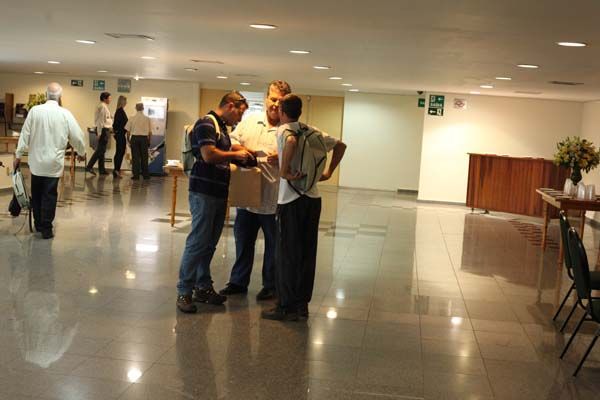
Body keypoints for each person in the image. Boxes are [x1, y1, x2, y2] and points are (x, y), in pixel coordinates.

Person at [262, 94, 347, 321]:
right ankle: (302, 305)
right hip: (312, 199)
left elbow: (290, 142)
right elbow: (341, 145)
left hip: (290, 201)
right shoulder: (312, 131)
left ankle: (285, 306)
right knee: (307, 254)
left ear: (282, 112)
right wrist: (329, 172)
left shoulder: (283, 129)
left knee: (286, 254)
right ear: (299, 111)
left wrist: (284, 171)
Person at [176, 91, 252, 313]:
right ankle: (184, 291)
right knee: (198, 242)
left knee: (209, 243)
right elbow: (209, 155)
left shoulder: (221, 128)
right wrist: (235, 156)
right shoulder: (206, 123)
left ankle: (203, 287)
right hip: (204, 193)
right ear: (230, 105)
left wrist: (243, 151)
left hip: (218, 193)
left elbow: (222, 148)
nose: (239, 118)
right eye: (239, 113)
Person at [220, 80, 291, 301]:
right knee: (243, 242)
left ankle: (270, 286)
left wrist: (284, 157)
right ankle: (238, 282)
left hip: (274, 198)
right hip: (247, 197)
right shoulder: (250, 121)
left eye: (280, 101)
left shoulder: (289, 128)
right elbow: (229, 141)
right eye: (272, 99)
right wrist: (245, 150)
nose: (275, 104)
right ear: (265, 99)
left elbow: (298, 159)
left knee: (273, 246)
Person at [14, 83, 86, 239]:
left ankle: (38, 223)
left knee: (37, 193)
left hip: (36, 163)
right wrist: (81, 152)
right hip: (54, 163)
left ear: (46, 95)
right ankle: (46, 228)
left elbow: (25, 134)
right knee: (50, 195)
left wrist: (18, 155)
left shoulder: (34, 111)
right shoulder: (65, 113)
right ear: (60, 97)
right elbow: (77, 136)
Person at [86, 92, 113, 176]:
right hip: (103, 130)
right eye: (109, 98)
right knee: (100, 150)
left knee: (102, 150)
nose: (110, 100)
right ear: (105, 98)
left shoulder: (103, 106)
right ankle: (89, 166)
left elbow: (105, 119)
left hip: (104, 130)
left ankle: (102, 169)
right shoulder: (102, 107)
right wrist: (100, 132)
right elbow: (100, 121)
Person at [125, 103, 152, 180]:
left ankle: (136, 175)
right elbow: (150, 132)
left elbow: (128, 131)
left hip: (134, 138)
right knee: (144, 157)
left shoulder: (132, 118)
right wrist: (149, 141)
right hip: (144, 139)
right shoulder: (147, 118)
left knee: (135, 158)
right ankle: (145, 175)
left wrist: (128, 140)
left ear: (136, 108)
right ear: (143, 108)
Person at [112, 95, 128, 178]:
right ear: (122, 101)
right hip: (120, 134)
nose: (126, 103)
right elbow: (115, 124)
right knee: (119, 152)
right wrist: (116, 132)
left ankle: (117, 170)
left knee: (120, 152)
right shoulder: (120, 111)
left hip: (120, 134)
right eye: (125, 101)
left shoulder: (120, 111)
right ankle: (116, 170)